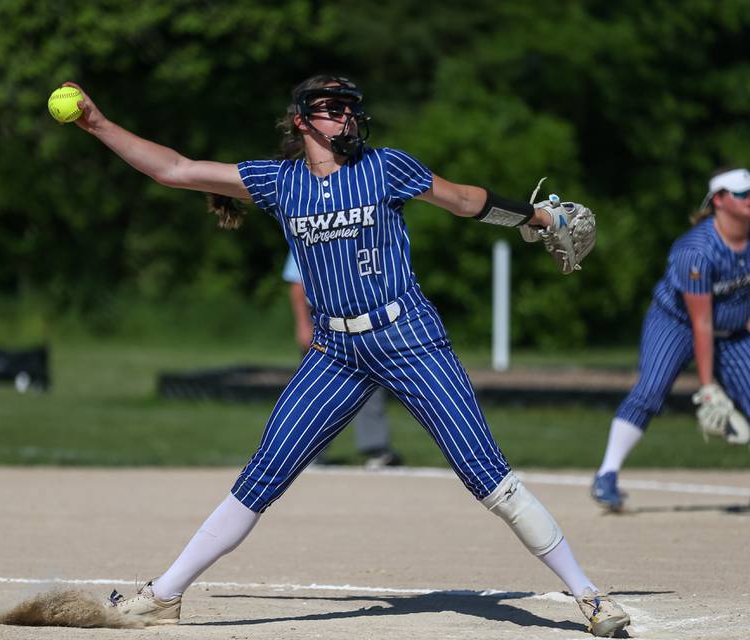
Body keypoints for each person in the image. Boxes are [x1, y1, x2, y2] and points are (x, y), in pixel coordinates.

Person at [65, 74, 629, 637]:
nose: (346, 118)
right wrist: (97, 123)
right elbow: (176, 170)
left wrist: (542, 218)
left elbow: (462, 201)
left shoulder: (385, 167)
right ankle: (164, 595)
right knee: (263, 473)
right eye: (332, 109)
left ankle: (587, 595)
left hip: (409, 336)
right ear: (302, 120)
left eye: (350, 109)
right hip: (335, 350)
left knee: (484, 472)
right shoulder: (280, 182)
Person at [592, 168, 750, 512]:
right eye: (742, 193)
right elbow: (701, 322)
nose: (749, 198)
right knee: (650, 390)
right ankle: (607, 474)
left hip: (734, 331)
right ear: (719, 201)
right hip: (675, 323)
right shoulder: (696, 251)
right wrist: (708, 388)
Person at [283, 250, 401, 467]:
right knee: (316, 388)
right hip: (323, 319)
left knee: (372, 381)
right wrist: (302, 323)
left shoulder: (358, 223)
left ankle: (375, 448)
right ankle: (310, 452)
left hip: (364, 314)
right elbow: (297, 283)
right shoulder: (308, 224)